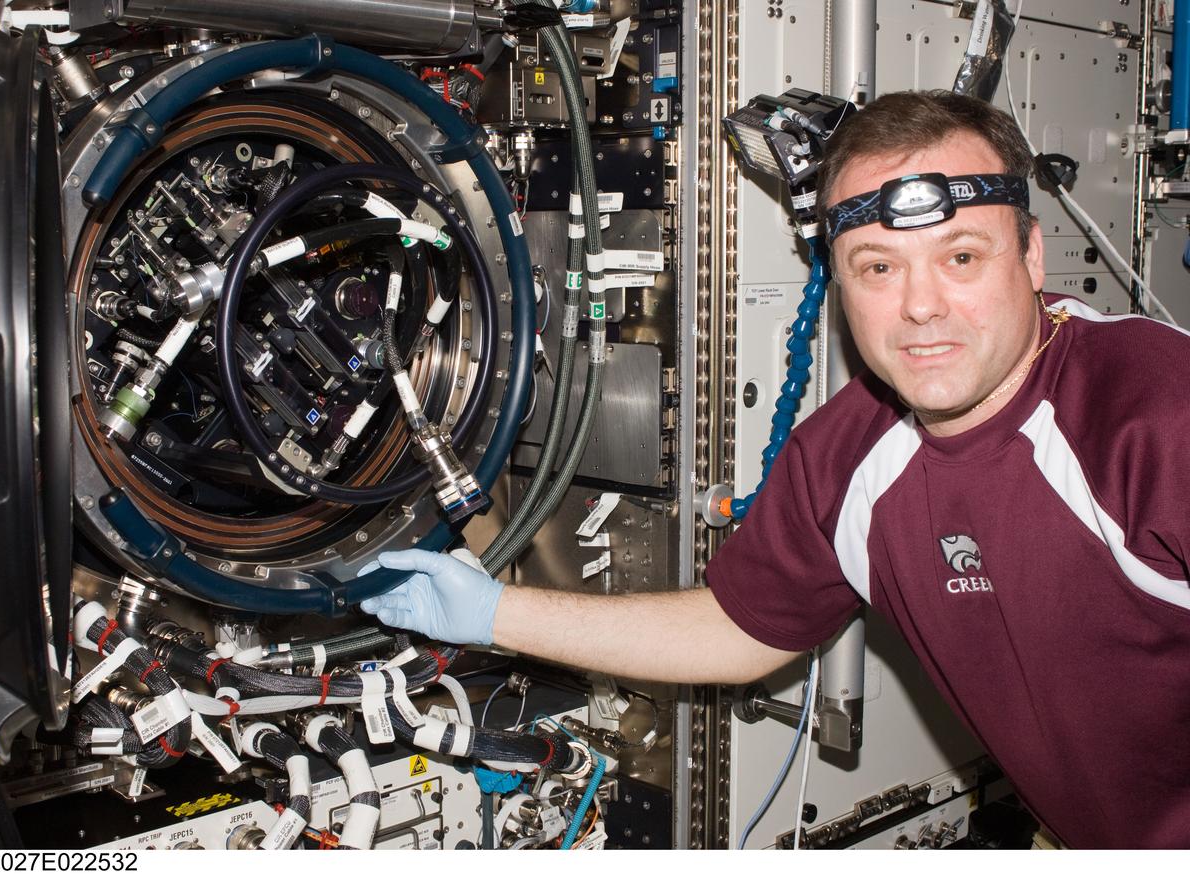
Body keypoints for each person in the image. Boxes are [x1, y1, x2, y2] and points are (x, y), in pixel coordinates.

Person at [360, 90, 1190, 849]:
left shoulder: (1154, 414)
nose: (921, 304)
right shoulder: (850, 455)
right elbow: (740, 628)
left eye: (961, 257)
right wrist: (494, 613)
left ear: (1033, 258)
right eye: (877, 267)